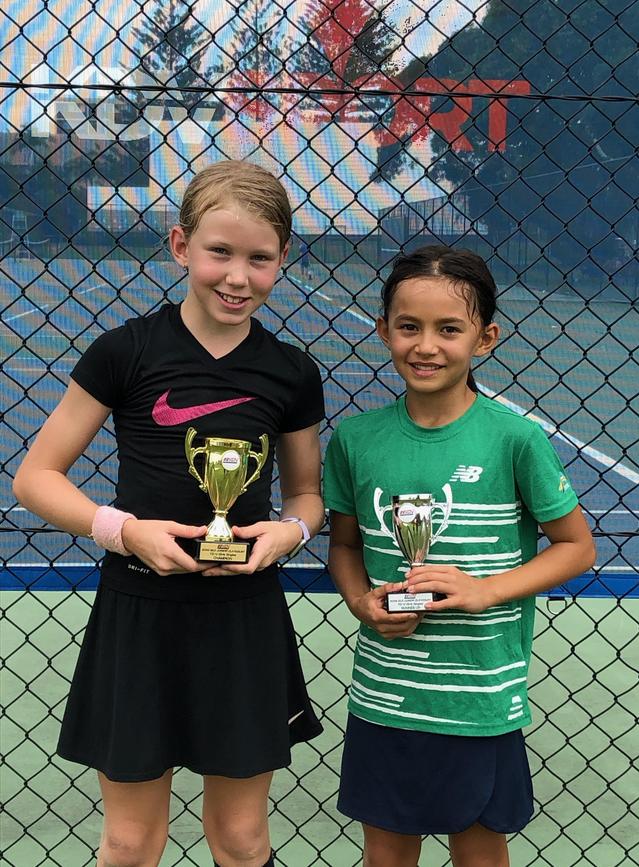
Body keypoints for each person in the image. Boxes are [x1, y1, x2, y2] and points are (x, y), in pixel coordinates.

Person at [13, 160, 325, 867]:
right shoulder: (125, 351)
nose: (237, 276)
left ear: (283, 260)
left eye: (259, 258)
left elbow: (308, 493)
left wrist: (290, 529)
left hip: (243, 615)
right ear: (181, 245)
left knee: (242, 838)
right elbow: (36, 477)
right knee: (128, 841)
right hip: (139, 610)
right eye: (220, 252)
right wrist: (121, 529)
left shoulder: (291, 371)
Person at [323, 245, 596, 867]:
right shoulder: (357, 439)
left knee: (479, 852)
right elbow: (343, 546)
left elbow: (577, 546)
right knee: (386, 855)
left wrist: (486, 589)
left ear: (485, 338)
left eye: (449, 329)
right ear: (383, 330)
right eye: (409, 327)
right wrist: (362, 602)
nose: (426, 346)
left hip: (478, 700)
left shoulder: (516, 438)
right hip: (386, 696)